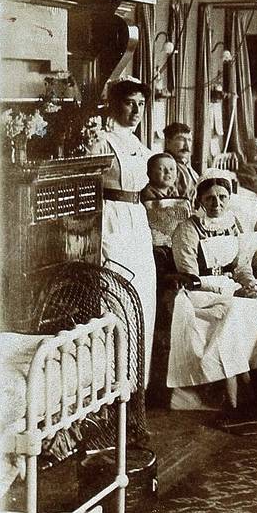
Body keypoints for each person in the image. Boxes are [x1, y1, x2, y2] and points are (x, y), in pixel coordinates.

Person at [168, 174, 257, 410]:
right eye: (210, 198)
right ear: (200, 199)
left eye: (222, 197)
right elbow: (190, 275)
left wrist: (249, 284)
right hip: (198, 294)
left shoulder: (233, 225)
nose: (217, 204)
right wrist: (228, 287)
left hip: (231, 289)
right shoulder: (187, 230)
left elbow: (241, 266)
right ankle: (236, 393)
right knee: (234, 311)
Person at [96, 78, 158, 391]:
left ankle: (136, 390)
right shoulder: (101, 139)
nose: (136, 111)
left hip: (137, 221)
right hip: (112, 221)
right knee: (116, 296)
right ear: (113, 104)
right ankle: (110, 388)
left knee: (143, 299)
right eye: (129, 103)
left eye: (142, 104)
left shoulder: (138, 143)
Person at [164, 122, 200, 202]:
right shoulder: (166, 166)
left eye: (189, 140)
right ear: (168, 142)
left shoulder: (185, 164)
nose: (187, 145)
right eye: (181, 140)